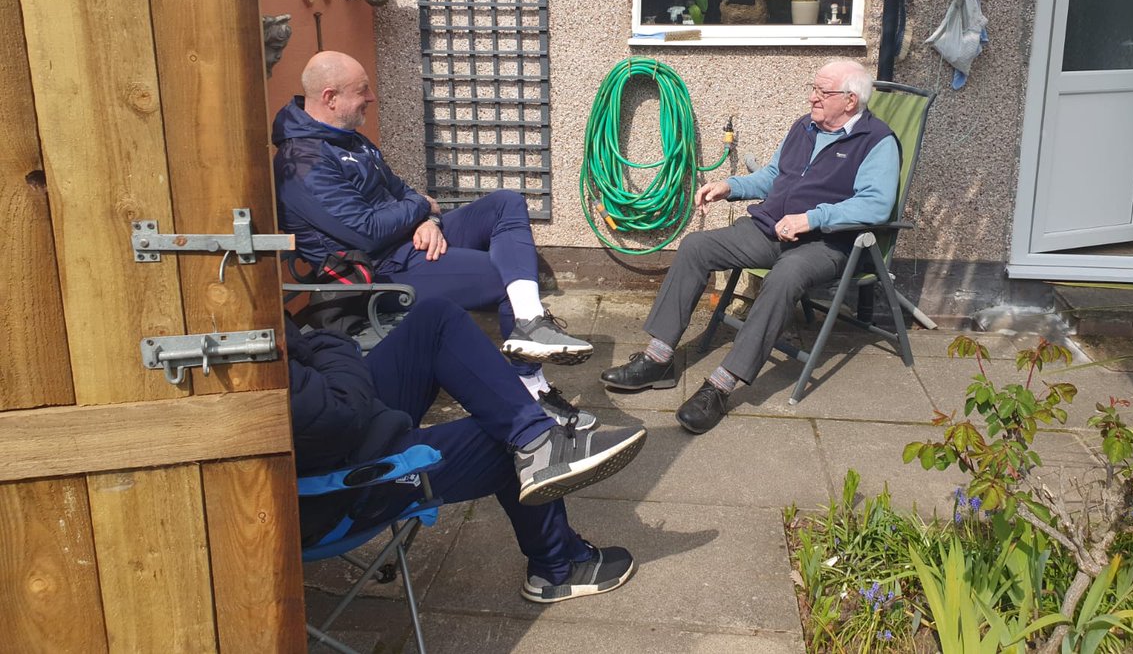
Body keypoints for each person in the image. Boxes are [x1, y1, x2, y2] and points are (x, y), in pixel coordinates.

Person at [274, 50, 594, 427]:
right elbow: (365, 232)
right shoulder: (304, 162)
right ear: (330, 97)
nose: (371, 98)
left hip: (410, 244)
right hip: (380, 274)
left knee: (504, 203)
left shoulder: (353, 142)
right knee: (503, 278)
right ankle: (532, 389)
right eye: (362, 91)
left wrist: (428, 219)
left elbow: (403, 191)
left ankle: (529, 320)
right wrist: (420, 211)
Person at [600, 60, 900, 434]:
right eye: (814, 88)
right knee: (696, 246)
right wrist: (731, 187)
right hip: (771, 229)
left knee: (786, 275)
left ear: (851, 100)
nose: (813, 97)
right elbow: (774, 177)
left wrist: (812, 218)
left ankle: (722, 385)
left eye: (823, 93)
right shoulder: (804, 127)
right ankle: (658, 359)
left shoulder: (877, 141)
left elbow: (876, 204)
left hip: (827, 244)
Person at [289, 297, 646, 602]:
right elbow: (334, 413)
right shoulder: (241, 349)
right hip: (330, 488)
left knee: (436, 318)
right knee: (502, 434)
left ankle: (540, 440)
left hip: (328, 430)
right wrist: (329, 345)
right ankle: (557, 567)